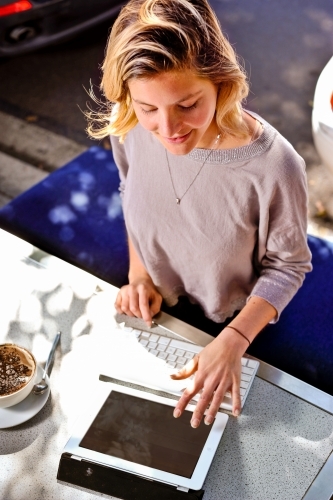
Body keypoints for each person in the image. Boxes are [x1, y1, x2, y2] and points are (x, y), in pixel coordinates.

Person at [87, 0, 312, 428]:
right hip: (159, 312)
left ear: (222, 83)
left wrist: (235, 340)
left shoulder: (275, 166)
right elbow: (129, 186)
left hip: (234, 322)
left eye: (188, 104)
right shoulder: (129, 118)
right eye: (149, 109)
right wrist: (139, 275)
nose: (168, 129)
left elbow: (289, 266)